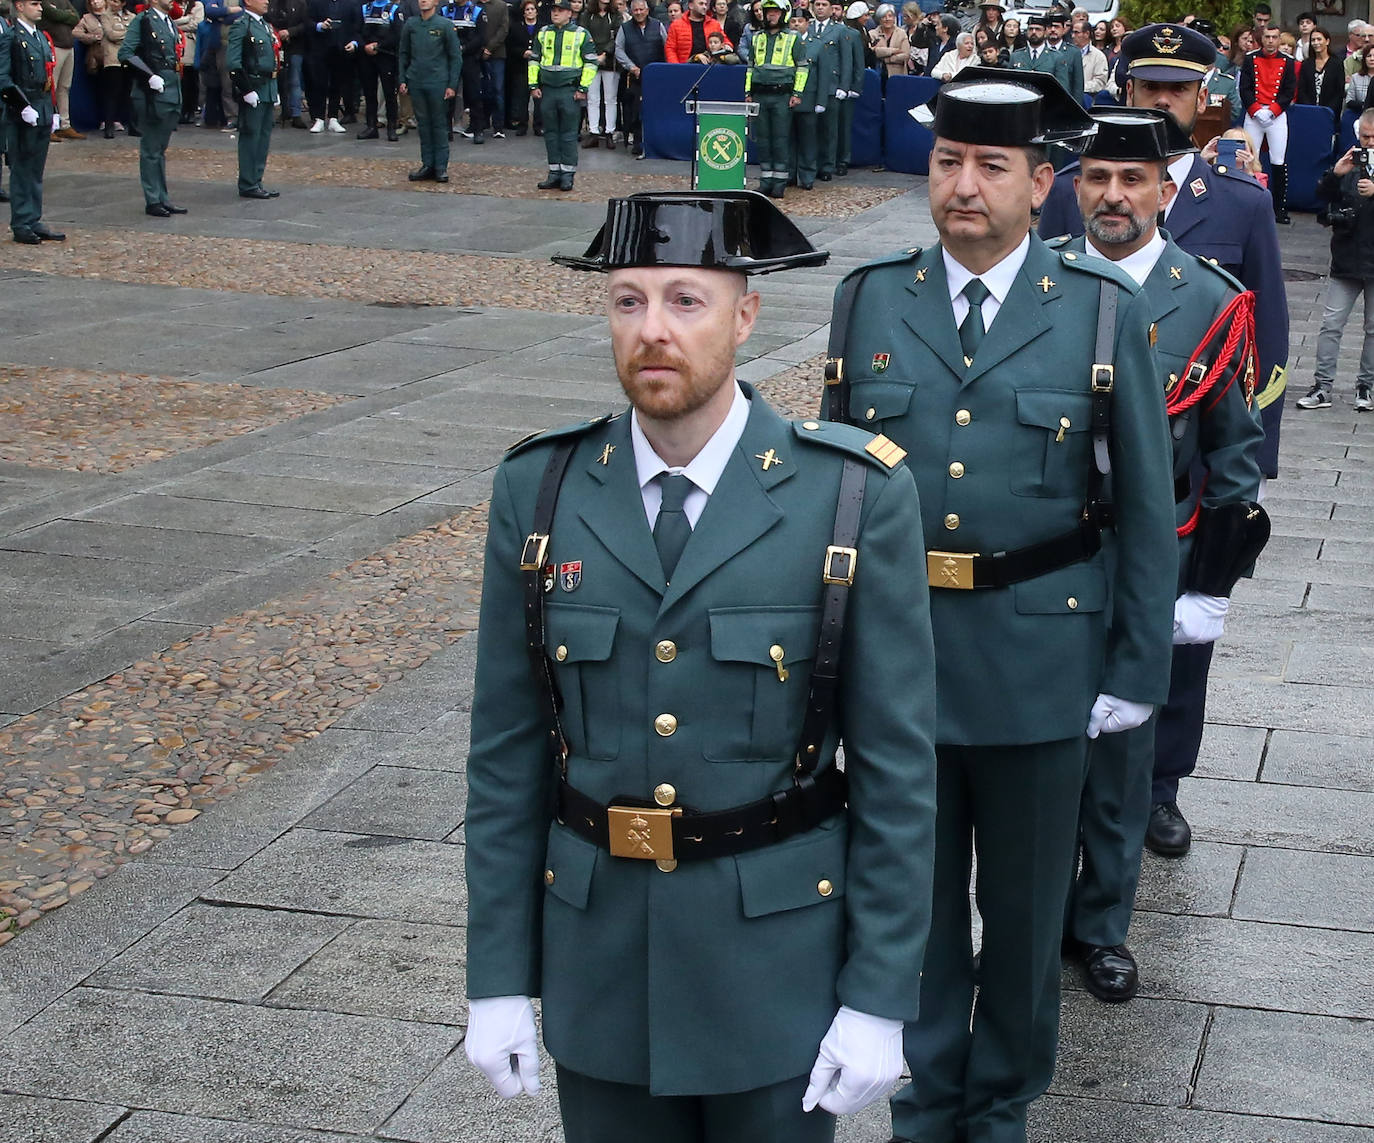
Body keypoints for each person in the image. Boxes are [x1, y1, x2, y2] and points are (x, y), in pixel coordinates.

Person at [463, 188, 938, 1143]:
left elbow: (895, 773)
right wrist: (499, 977)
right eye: (628, 300)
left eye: (686, 300)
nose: (652, 330)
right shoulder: (543, 489)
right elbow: (508, 756)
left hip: (775, 970)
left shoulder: (848, 496)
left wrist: (881, 995)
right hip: (600, 968)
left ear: (746, 313)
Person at [824, 67, 1176, 1143]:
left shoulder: (1103, 314)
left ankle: (1002, 1105)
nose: (963, 186)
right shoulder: (874, 297)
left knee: (1024, 923)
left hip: (1040, 668)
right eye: (947, 162)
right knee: (911, 911)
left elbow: (1149, 517)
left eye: (989, 167)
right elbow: (835, 502)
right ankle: (927, 1106)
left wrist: (1132, 676)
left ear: (1042, 185)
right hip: (904, 665)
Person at [1055, 106, 1266, 1005]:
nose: (1113, 195)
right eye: (1097, 178)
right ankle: (1028, 922)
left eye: (1132, 180)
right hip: (1044, 567)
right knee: (1036, 757)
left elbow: (1235, 453)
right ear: (1074, 188)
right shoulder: (1042, 281)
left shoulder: (1209, 298)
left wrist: (1208, 588)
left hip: (1154, 565)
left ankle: (1100, 927)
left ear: (1164, 191)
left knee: (1124, 763)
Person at [1298, 112, 1374, 412]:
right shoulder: (1350, 163)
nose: (1368, 142)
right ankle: (1322, 386)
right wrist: (1336, 174)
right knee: (1331, 324)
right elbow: (1321, 197)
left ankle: (1366, 385)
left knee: (1373, 328)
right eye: (1364, 136)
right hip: (1347, 255)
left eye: (1373, 136)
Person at [1, 0, 65, 242]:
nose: (40, 8)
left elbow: (48, 75)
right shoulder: (11, 36)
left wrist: (55, 110)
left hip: (42, 107)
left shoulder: (40, 36)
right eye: (34, 3)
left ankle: (33, 218)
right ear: (19, 6)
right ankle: (21, 222)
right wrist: (22, 106)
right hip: (23, 109)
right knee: (22, 169)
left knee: (36, 169)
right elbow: (3, 76)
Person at [119, 0, 188, 218]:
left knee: (160, 148)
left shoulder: (169, 22)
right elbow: (126, 53)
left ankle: (162, 197)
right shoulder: (144, 20)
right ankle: (153, 199)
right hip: (152, 92)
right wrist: (149, 76)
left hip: (171, 89)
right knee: (151, 149)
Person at [529, 0, 596, 189]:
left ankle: (568, 174)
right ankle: (554, 172)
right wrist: (533, 85)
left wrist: (583, 88)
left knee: (568, 134)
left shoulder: (581, 34)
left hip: (569, 90)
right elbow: (534, 59)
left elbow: (591, 62)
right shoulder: (543, 32)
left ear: (569, 14)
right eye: (554, 10)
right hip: (548, 89)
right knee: (550, 133)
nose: (555, 14)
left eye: (560, 11)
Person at [746, 0, 805, 197]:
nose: (770, 16)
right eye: (767, 12)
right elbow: (750, 68)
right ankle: (766, 180)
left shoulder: (793, 38)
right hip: (761, 95)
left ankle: (780, 182)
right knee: (763, 139)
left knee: (780, 139)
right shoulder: (756, 38)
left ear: (783, 14)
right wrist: (748, 93)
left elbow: (803, 67)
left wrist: (797, 93)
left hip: (782, 95)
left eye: (774, 12)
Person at [1241, 24, 1297, 223]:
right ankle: (1248, 206)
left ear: (1279, 39)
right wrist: (1256, 110)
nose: (1271, 41)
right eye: (1267, 37)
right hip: (1254, 114)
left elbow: (1289, 91)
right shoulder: (1250, 59)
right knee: (1250, 159)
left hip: (1277, 115)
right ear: (1261, 38)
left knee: (1278, 160)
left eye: (1274, 37)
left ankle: (1279, 209)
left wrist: (1273, 111)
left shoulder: (1288, 61)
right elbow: (1245, 88)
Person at [398, 0, 458, 180]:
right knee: (423, 125)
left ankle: (441, 166)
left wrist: (452, 84)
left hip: (438, 81)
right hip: (417, 80)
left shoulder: (445, 25)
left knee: (439, 124)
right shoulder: (411, 24)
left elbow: (455, 57)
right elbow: (403, 53)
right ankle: (427, 164)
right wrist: (402, 78)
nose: (423, 1)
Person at [227, 0, 281, 197]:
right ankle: (248, 182)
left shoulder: (265, 26)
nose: (266, 1)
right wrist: (246, 90)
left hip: (268, 86)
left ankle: (257, 180)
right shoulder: (242, 26)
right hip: (253, 87)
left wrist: (275, 91)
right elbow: (233, 62)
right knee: (251, 136)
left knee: (264, 136)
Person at [614, 0, 664, 155]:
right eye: (635, 10)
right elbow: (619, 49)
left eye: (641, 9)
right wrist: (631, 67)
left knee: (654, 110)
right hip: (634, 76)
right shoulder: (625, 28)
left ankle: (654, 142)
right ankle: (637, 143)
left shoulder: (658, 25)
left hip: (655, 76)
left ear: (647, 10)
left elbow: (666, 44)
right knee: (634, 111)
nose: (638, 13)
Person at [305, 0, 359, 131]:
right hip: (320, 49)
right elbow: (307, 22)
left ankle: (333, 117)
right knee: (319, 84)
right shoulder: (316, 3)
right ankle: (319, 118)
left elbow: (356, 26)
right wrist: (320, 25)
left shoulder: (350, 4)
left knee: (337, 84)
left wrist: (354, 43)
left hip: (341, 49)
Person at [808, 0, 847, 180]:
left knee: (829, 129)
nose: (820, 8)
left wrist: (844, 86)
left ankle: (827, 166)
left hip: (831, 85)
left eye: (824, 4)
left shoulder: (839, 30)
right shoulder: (808, 28)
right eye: (817, 4)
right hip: (811, 85)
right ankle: (811, 164)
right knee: (811, 128)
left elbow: (846, 60)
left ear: (832, 9)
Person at [355, 0, 402, 139]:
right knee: (369, 93)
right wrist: (365, 46)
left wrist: (379, 46)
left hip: (386, 56)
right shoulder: (365, 8)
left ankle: (391, 128)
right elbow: (357, 31)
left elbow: (398, 34)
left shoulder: (394, 9)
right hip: (367, 56)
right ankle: (371, 126)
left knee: (389, 93)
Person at [38, 0, 80, 139]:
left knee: (64, 87)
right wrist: (65, 15)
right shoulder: (43, 2)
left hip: (68, 46)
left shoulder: (63, 1)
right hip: (53, 46)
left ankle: (64, 124)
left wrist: (63, 15)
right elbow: (53, 14)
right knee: (51, 88)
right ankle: (49, 126)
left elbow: (76, 17)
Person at [789, 5, 820, 187]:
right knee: (787, 140)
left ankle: (807, 176)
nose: (796, 25)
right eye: (793, 21)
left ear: (807, 23)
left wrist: (821, 100)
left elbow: (823, 74)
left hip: (808, 98)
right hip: (786, 98)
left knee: (808, 141)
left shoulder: (816, 44)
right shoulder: (785, 42)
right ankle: (789, 175)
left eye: (800, 21)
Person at [834, 0, 864, 174]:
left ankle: (843, 160)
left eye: (838, 9)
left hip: (846, 86)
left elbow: (858, 63)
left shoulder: (851, 34)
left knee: (843, 126)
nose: (835, 12)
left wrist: (855, 86)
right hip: (827, 85)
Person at [581, 0, 617, 145]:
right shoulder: (587, 15)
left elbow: (617, 37)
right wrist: (593, 56)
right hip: (591, 60)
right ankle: (594, 131)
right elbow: (583, 35)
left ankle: (609, 131)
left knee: (610, 98)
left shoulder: (615, 15)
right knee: (592, 98)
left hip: (609, 62)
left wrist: (605, 53)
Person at [1298, 25, 1343, 119]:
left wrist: (1326, 111)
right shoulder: (1306, 64)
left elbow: (1338, 92)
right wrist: (1311, 110)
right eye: (1313, 40)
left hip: (1329, 113)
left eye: (1319, 39)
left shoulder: (1336, 64)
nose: (1316, 43)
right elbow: (1302, 90)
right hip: (1308, 113)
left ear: (1327, 41)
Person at [869, 3, 907, 80]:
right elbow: (874, 52)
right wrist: (894, 51)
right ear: (879, 19)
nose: (887, 19)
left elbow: (906, 55)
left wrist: (885, 58)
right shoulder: (872, 33)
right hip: (878, 73)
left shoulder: (901, 33)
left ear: (894, 18)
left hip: (897, 75)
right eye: (884, 17)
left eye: (890, 16)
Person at [1073, 20, 1106, 94]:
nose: (1073, 36)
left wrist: (1078, 88)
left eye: (1076, 32)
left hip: (1087, 97)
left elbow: (1100, 82)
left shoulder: (1099, 56)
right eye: (1073, 32)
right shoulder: (1067, 53)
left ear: (1087, 34)